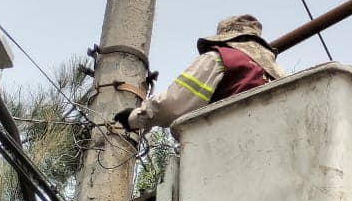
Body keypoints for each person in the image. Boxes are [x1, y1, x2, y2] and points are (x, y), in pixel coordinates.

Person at [114, 14, 286, 132]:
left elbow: (173, 105)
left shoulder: (219, 58)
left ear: (227, 38)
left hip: (229, 148)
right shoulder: (280, 74)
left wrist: (134, 117)